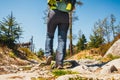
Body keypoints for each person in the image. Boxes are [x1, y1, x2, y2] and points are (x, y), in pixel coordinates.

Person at [45, 0, 76, 69]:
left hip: (53, 13)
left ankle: (48, 55)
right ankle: (59, 63)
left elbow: (49, 2)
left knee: (49, 35)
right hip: (65, 16)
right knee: (62, 40)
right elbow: (73, 8)